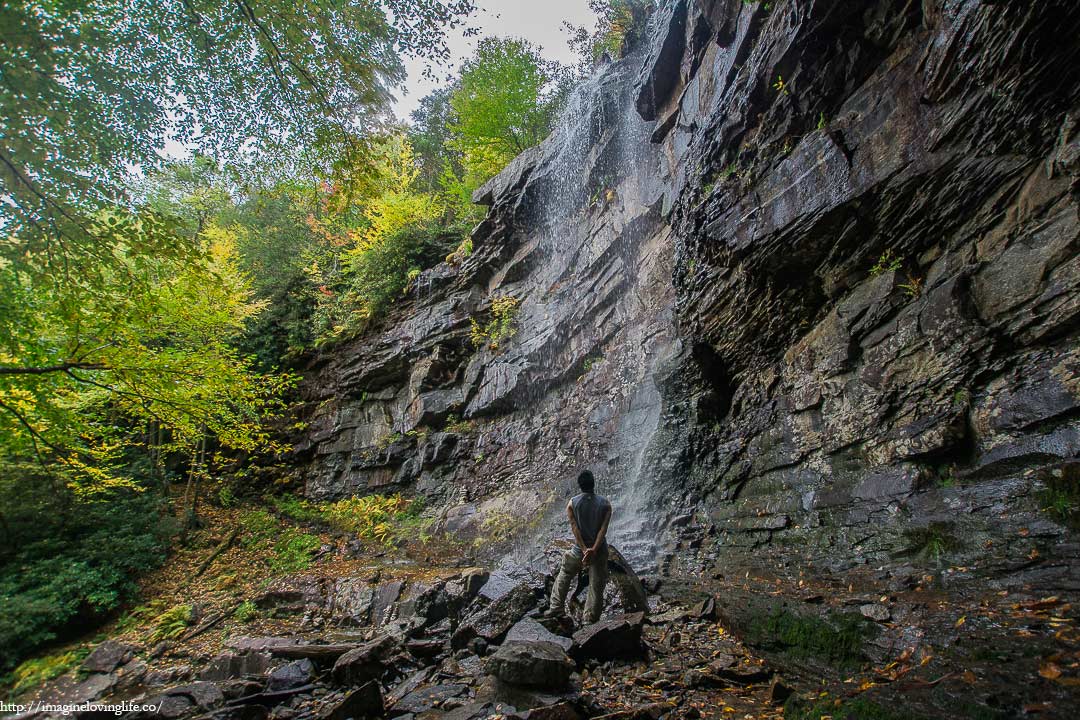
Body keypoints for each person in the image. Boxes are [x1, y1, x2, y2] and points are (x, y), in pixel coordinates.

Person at [546, 469, 612, 624]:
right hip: (599, 551)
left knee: (565, 572)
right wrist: (593, 550)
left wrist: (584, 550)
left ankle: (556, 607)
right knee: (596, 584)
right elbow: (603, 529)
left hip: (578, 550)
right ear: (593, 484)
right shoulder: (606, 504)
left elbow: (574, 528)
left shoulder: (572, 504)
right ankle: (589, 619)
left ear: (580, 485)